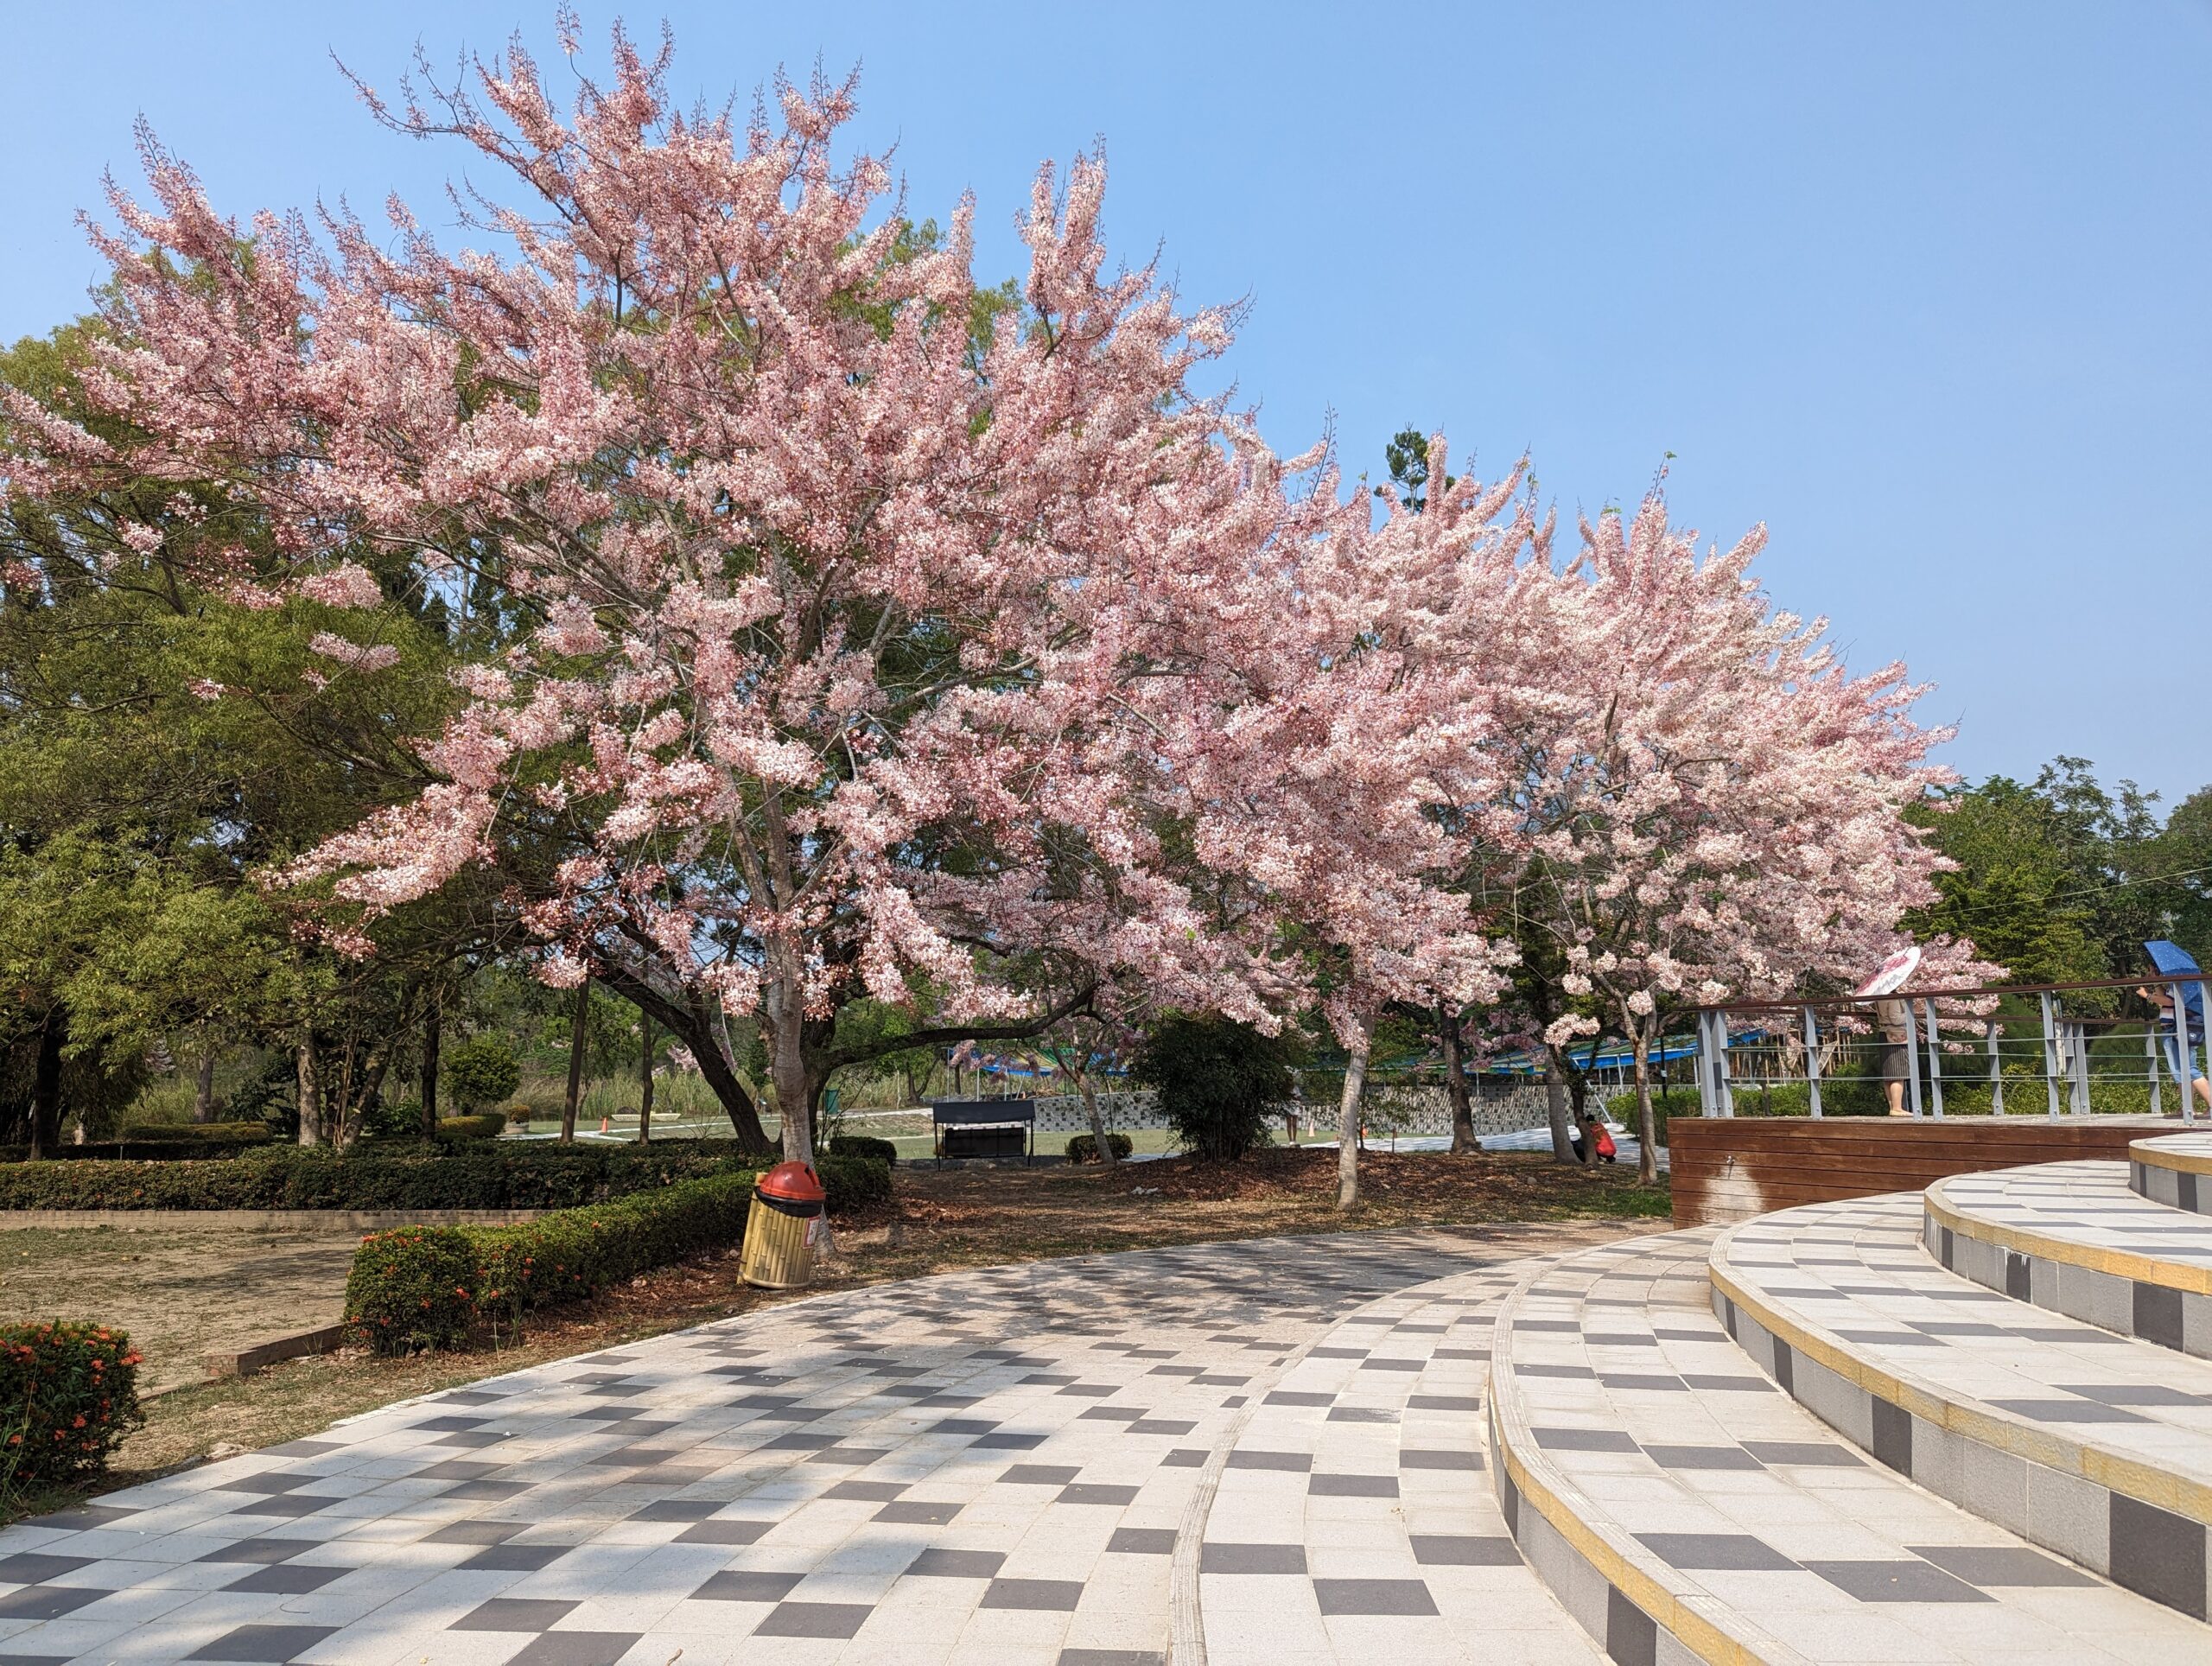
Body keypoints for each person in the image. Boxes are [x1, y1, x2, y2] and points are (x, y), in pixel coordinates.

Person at [2139, 941, 2212, 1112]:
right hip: (2175, 1028)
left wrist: (2147, 995)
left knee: (2187, 1068)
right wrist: (2156, 981)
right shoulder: (2177, 981)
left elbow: (2170, 1001)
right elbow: (2165, 996)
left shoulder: (2182, 981)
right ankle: (2187, 1108)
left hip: (2178, 1028)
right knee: (2181, 1071)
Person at [1876, 997, 1913, 1116]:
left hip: (1884, 1033)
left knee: (1889, 1074)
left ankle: (1893, 1107)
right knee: (1898, 1073)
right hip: (1895, 1035)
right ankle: (1897, 1108)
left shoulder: (1879, 997)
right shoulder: (1892, 998)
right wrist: (1910, 1011)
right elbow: (1896, 1019)